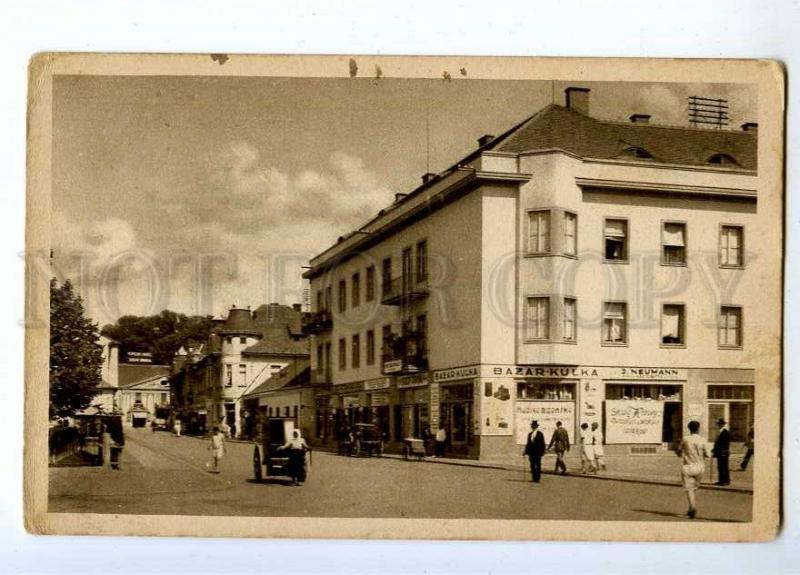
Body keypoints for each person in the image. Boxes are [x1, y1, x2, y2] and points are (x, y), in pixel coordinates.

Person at [678, 420, 711, 519]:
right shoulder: (703, 440)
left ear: (689, 429)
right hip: (700, 467)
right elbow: (708, 454)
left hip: (688, 466)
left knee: (689, 489)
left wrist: (682, 453)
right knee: (694, 488)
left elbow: (679, 450)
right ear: (698, 429)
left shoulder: (685, 439)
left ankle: (692, 507)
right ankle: (690, 508)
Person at [712, 417, 731, 486]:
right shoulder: (720, 432)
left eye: (720, 424)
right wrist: (714, 449)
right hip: (720, 452)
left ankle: (726, 481)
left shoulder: (725, 432)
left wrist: (723, 451)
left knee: (724, 467)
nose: (719, 425)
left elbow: (726, 443)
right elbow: (717, 442)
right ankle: (721, 480)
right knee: (720, 466)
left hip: (723, 452)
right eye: (718, 424)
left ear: (723, 424)